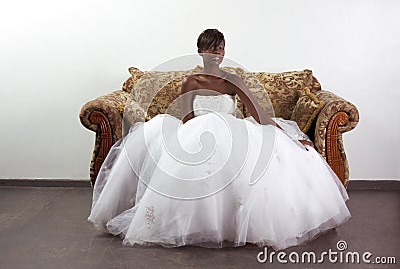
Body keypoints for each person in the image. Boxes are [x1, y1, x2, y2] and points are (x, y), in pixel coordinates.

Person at [88, 29, 350, 250]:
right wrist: (193, 140)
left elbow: (260, 115)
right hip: (197, 133)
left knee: (262, 159)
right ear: (200, 51)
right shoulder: (191, 81)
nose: (216, 55)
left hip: (232, 132)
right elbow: (187, 117)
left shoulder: (232, 80)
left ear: (225, 51)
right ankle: (192, 222)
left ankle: (232, 223)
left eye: (220, 49)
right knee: (176, 153)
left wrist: (292, 136)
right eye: (210, 49)